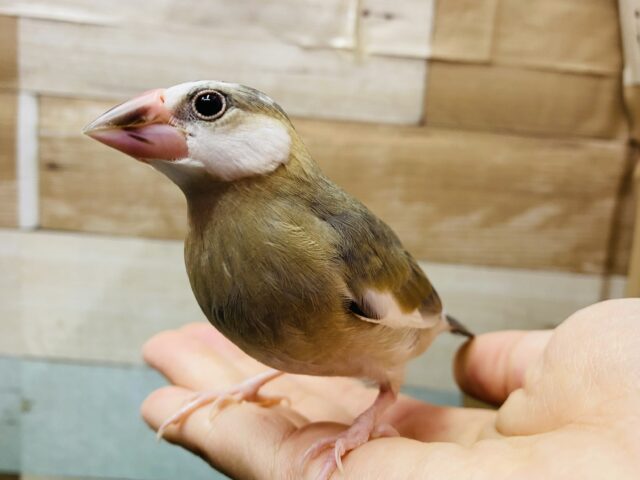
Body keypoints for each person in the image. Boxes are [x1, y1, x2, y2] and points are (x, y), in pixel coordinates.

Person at [141, 299, 640, 479]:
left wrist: (356, 433)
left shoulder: (329, 246)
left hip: (402, 326)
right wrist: (252, 381)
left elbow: (405, 309)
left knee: (380, 379)